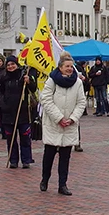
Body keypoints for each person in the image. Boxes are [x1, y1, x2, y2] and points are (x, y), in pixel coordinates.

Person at [39, 52, 86, 195]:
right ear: (60, 67)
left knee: (65, 157)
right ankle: (45, 180)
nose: (70, 69)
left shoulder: (77, 83)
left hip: (69, 125)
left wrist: (72, 118)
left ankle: (62, 184)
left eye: (71, 66)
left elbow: (81, 102)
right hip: (54, 124)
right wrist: (59, 118)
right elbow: (45, 99)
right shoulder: (51, 80)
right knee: (49, 155)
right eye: (67, 66)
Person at [0, 56, 37, 169]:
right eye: (8, 65)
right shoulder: (4, 78)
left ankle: (26, 160)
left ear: (17, 64)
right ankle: (13, 160)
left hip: (23, 111)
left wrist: (29, 82)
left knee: (25, 137)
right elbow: (1, 90)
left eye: (13, 64)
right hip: (8, 112)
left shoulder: (23, 75)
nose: (11, 67)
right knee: (10, 138)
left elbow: (33, 89)